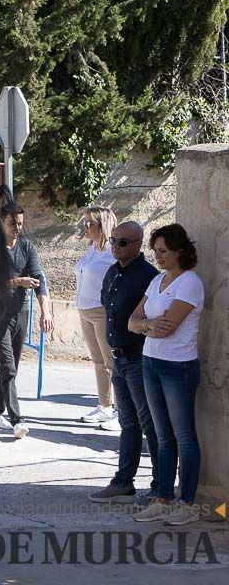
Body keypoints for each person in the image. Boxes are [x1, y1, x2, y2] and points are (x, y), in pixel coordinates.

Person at [129, 224, 205, 526]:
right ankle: (163, 497)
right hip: (150, 360)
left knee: (184, 436)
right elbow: (131, 322)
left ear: (179, 250)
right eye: (155, 251)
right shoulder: (158, 280)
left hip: (178, 366)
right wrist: (148, 324)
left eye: (163, 251)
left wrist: (144, 324)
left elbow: (168, 327)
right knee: (161, 437)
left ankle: (187, 501)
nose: (157, 257)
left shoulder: (190, 283)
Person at [88, 221, 159, 504]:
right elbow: (108, 305)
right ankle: (123, 482)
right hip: (118, 359)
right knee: (128, 423)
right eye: (114, 241)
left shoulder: (148, 276)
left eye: (122, 243)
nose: (115, 247)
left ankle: (160, 486)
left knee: (149, 423)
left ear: (138, 245)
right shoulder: (112, 272)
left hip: (138, 358)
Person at [0, 202, 54, 438]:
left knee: (11, 367)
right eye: (12, 223)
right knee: (8, 367)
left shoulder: (27, 247)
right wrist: (16, 282)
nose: (17, 228)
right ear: (1, 223)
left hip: (21, 312)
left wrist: (45, 312)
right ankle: (17, 420)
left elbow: (39, 280)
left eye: (20, 224)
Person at [75, 206, 119, 428]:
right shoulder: (91, 249)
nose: (86, 227)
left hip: (102, 312)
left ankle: (121, 412)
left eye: (90, 223)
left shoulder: (113, 253)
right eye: (85, 223)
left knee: (112, 362)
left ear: (103, 226)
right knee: (98, 362)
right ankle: (105, 406)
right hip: (84, 311)